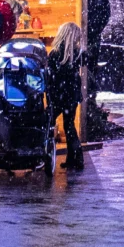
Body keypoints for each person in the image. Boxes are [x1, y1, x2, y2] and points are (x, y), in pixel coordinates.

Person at [45, 21, 87, 173]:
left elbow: (49, 76)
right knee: (69, 126)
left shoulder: (55, 53)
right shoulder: (77, 54)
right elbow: (87, 61)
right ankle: (75, 159)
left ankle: (45, 152)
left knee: (48, 122)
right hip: (71, 95)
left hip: (58, 94)